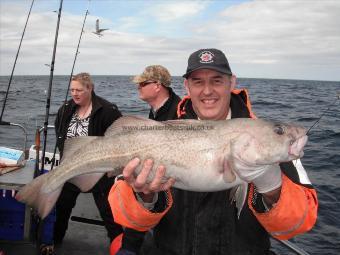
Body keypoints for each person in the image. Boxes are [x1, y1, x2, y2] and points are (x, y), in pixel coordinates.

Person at [108, 49, 318, 254]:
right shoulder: (162, 127)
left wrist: (272, 187)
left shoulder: (267, 138)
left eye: (217, 80)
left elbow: (297, 224)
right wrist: (145, 196)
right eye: (198, 82)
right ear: (187, 86)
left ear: (232, 82)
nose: (207, 91)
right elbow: (126, 216)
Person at [111, 65, 181, 254]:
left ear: (157, 85)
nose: (138, 87)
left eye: (142, 83)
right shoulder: (157, 111)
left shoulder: (178, 113)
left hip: (175, 190)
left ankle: (129, 248)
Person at [53, 72, 123, 246]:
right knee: (62, 209)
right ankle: (55, 242)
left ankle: (120, 248)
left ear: (90, 88)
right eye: (72, 90)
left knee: (110, 214)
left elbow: (120, 139)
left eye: (79, 90)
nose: (75, 94)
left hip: (98, 172)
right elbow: (59, 132)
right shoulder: (66, 108)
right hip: (71, 169)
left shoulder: (107, 110)